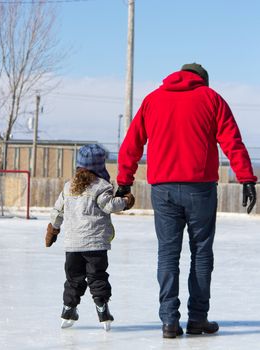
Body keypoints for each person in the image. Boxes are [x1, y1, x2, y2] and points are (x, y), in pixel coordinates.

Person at [116, 63, 257, 338]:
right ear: (202, 80)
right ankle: (197, 319)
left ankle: (169, 321)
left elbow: (132, 142)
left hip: (163, 189)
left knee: (167, 254)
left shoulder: (153, 100)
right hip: (200, 189)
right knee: (201, 253)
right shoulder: (211, 98)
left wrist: (124, 180)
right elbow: (232, 140)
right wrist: (246, 177)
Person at [45, 143, 135, 331]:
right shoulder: (102, 186)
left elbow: (58, 210)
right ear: (100, 167)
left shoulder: (69, 187)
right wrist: (126, 201)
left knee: (73, 279)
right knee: (97, 277)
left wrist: (53, 229)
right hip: (95, 245)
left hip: (73, 245)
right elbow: (110, 205)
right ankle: (102, 310)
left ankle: (68, 309)